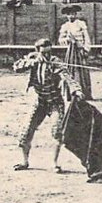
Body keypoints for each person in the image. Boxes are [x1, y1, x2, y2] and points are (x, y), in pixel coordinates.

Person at [12, 37, 83, 172]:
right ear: (38, 51)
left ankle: (54, 163)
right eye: (44, 53)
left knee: (57, 132)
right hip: (39, 102)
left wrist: (77, 90)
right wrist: (32, 62)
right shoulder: (32, 59)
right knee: (26, 131)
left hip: (55, 102)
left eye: (49, 52)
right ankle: (24, 161)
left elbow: (68, 77)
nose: (47, 55)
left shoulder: (56, 62)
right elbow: (16, 67)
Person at [58, 4, 92, 99]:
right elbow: (60, 39)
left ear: (76, 14)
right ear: (66, 15)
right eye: (69, 14)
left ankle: (85, 92)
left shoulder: (81, 23)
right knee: (70, 69)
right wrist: (67, 40)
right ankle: (71, 93)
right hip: (70, 51)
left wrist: (86, 48)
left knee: (83, 70)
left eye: (73, 14)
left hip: (80, 49)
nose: (71, 16)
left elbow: (87, 37)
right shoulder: (65, 26)